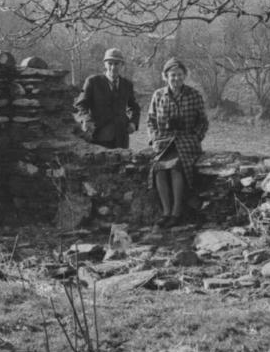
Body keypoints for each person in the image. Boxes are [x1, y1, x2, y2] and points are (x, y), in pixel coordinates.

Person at [145, 57, 208, 228]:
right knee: (158, 169)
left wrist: (195, 136)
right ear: (165, 76)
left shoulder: (194, 95)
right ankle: (166, 212)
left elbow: (203, 122)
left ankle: (176, 212)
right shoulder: (158, 95)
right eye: (172, 75)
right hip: (164, 141)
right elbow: (150, 120)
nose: (176, 79)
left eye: (180, 75)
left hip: (186, 141)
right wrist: (154, 138)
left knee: (175, 167)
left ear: (184, 76)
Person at [75, 48, 139, 149]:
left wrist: (133, 123)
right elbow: (80, 105)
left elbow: (134, 107)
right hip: (99, 136)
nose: (113, 67)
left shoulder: (127, 84)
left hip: (121, 138)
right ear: (105, 64)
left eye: (117, 63)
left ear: (122, 65)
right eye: (110, 63)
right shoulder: (93, 82)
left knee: (122, 163)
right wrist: (86, 120)